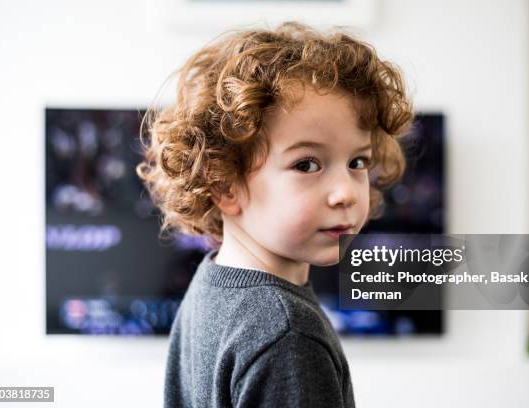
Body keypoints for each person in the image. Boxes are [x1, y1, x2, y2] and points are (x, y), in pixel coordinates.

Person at [136, 21, 414, 408]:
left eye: (357, 161)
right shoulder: (287, 334)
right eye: (307, 165)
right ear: (225, 186)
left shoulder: (212, 280)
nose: (346, 193)